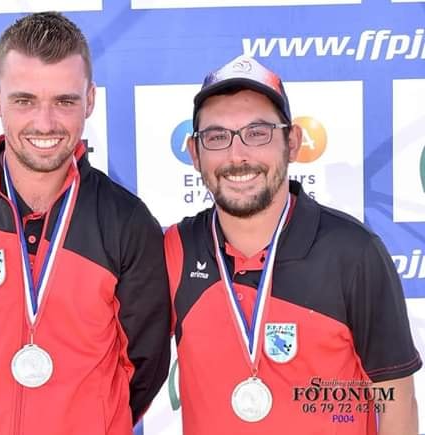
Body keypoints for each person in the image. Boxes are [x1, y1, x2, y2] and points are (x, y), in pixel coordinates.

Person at [0, 12, 170, 435]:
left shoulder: (126, 220)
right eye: (24, 100)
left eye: (64, 101)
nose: (45, 123)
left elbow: (144, 364)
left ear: (90, 100)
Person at [164, 55, 421, 434]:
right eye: (217, 137)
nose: (238, 155)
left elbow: (396, 403)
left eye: (258, 132)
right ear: (194, 152)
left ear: (293, 141)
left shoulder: (354, 252)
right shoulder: (174, 250)